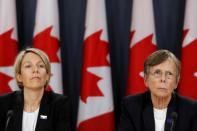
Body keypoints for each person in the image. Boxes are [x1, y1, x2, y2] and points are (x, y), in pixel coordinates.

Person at [118, 49, 197, 131]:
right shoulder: (131, 106)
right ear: (146, 79)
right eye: (157, 73)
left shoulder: (191, 109)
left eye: (169, 74)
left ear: (176, 82)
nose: (163, 79)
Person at [0, 48, 71, 131]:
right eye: (28, 66)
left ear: (47, 76)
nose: (35, 70)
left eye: (41, 66)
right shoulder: (4, 103)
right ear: (19, 76)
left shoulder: (59, 104)